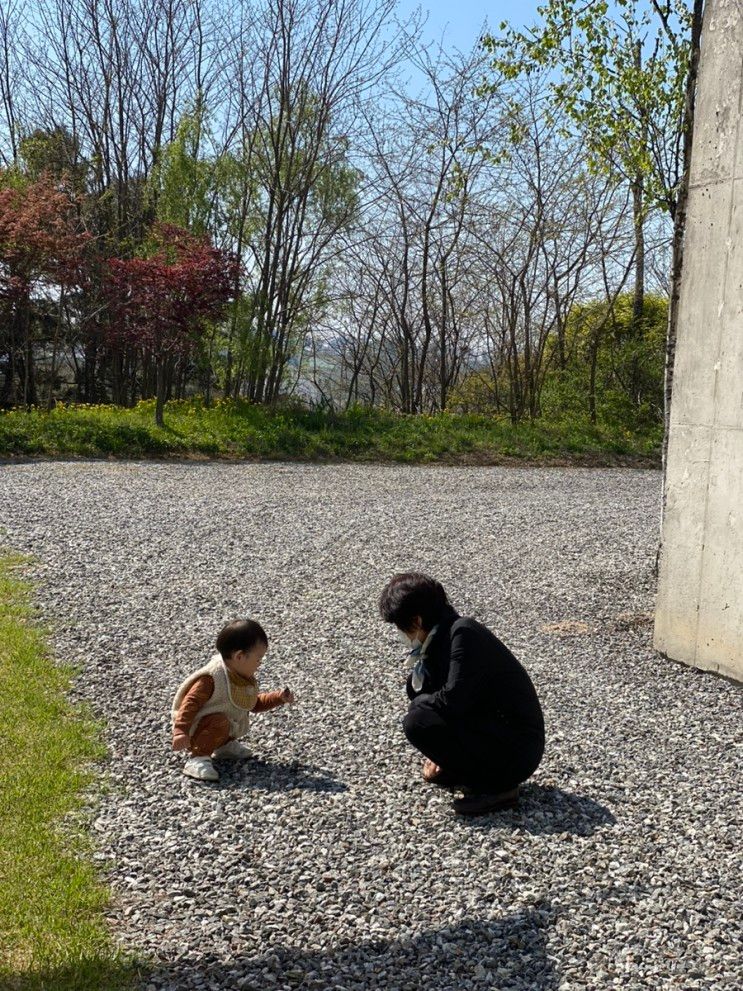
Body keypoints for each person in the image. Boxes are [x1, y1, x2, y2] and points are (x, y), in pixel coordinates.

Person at [379, 572, 545, 815]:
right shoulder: (438, 640)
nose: (401, 634)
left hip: (518, 748)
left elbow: (453, 701)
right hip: (496, 734)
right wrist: (443, 754)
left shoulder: (463, 633)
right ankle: (471, 773)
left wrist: (421, 706)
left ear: (416, 621)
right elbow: (429, 694)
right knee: (421, 714)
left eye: (401, 626)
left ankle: (498, 788)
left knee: (417, 720)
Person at [171, 619, 294, 782]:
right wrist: (180, 731)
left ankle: (222, 746)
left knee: (225, 719)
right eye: (258, 659)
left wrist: (278, 698)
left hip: (221, 727)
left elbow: (252, 703)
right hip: (197, 729)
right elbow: (190, 704)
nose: (260, 664)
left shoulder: (240, 677)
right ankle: (198, 757)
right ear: (240, 656)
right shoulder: (212, 678)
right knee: (219, 721)